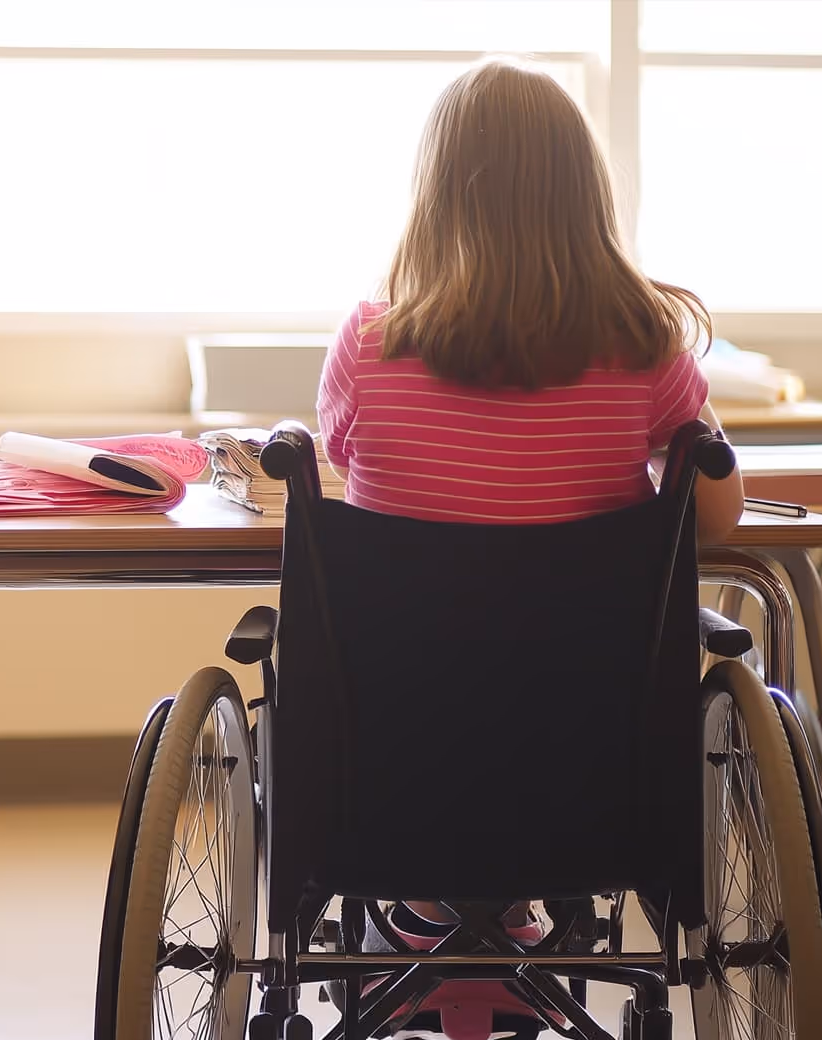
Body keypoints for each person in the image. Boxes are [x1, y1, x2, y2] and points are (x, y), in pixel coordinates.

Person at [314, 58, 744, 948]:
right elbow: (716, 513)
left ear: (436, 198)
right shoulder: (647, 346)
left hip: (399, 747)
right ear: (585, 198)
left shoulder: (368, 342)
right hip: (587, 748)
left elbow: (346, 464)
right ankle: (519, 906)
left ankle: (431, 912)